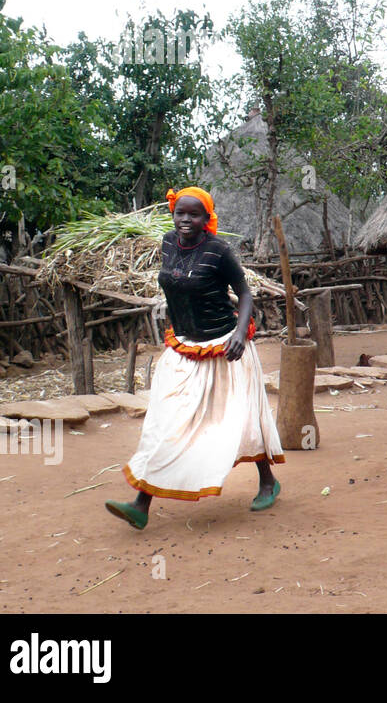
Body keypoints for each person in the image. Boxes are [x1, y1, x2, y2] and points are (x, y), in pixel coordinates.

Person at [105, 187, 284, 530]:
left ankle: (267, 481)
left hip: (225, 349)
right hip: (184, 347)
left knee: (241, 419)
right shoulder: (168, 243)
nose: (185, 221)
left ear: (207, 219)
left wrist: (238, 334)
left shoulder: (219, 252)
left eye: (194, 215)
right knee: (166, 422)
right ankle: (141, 504)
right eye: (180, 214)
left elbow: (244, 293)